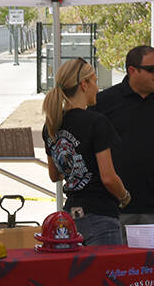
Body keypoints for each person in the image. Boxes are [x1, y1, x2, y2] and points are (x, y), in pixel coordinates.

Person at [42, 57, 129, 246]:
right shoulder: (96, 122)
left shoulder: (51, 125)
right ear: (84, 84)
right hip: (101, 215)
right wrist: (124, 196)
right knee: (105, 274)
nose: (97, 88)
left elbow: (54, 175)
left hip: (69, 217)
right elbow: (108, 177)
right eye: (95, 82)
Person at [93, 45, 154, 241]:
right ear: (132, 70)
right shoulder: (104, 102)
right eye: (152, 69)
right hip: (117, 208)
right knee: (119, 269)